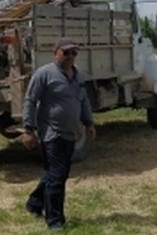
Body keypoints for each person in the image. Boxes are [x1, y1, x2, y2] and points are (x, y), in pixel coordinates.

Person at [22, 37, 97, 231]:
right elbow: (30, 101)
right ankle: (55, 220)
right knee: (57, 174)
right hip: (51, 132)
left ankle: (34, 203)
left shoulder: (78, 75)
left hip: (70, 133)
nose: (70, 56)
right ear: (55, 52)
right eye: (66, 52)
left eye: (74, 53)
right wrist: (28, 130)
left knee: (58, 173)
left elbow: (83, 101)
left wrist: (89, 123)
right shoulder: (44, 74)